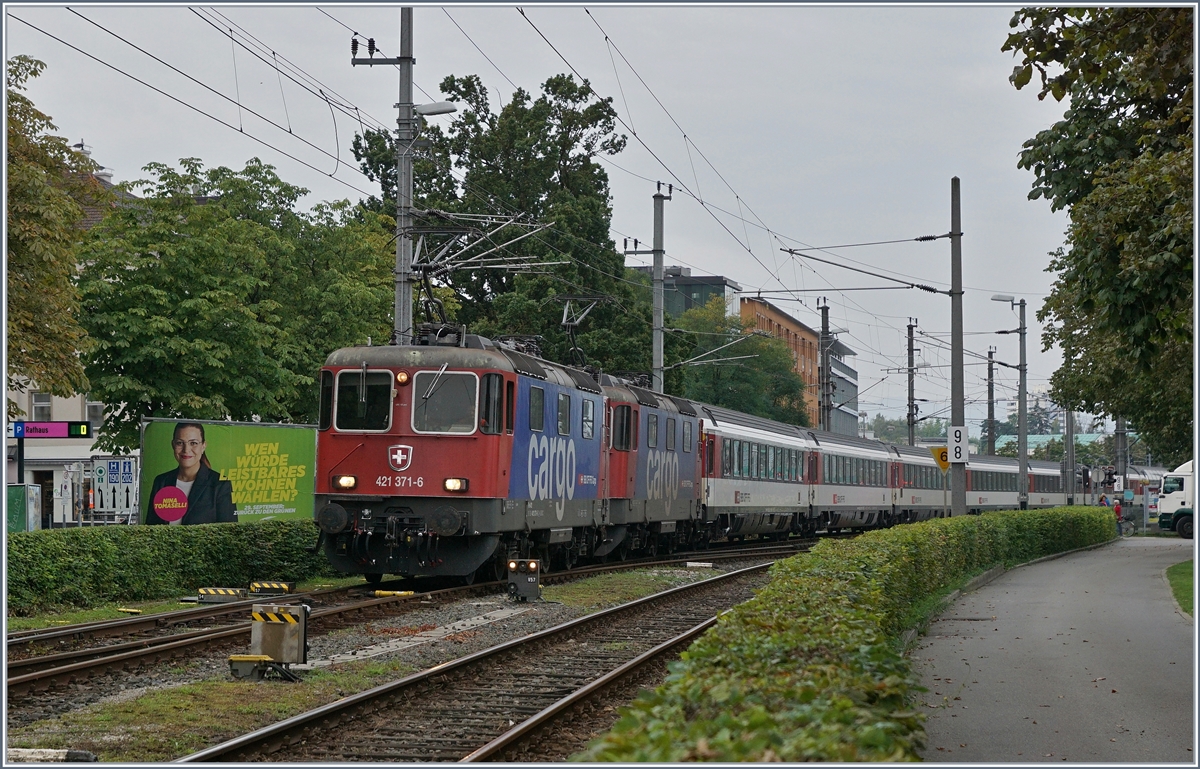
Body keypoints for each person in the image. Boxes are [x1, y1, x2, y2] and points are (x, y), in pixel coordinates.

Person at [146, 422, 236, 525]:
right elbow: (150, 529)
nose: (186, 450)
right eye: (180, 443)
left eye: (193, 443)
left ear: (203, 446)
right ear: (173, 445)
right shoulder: (161, 482)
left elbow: (229, 533)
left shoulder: (221, 484)